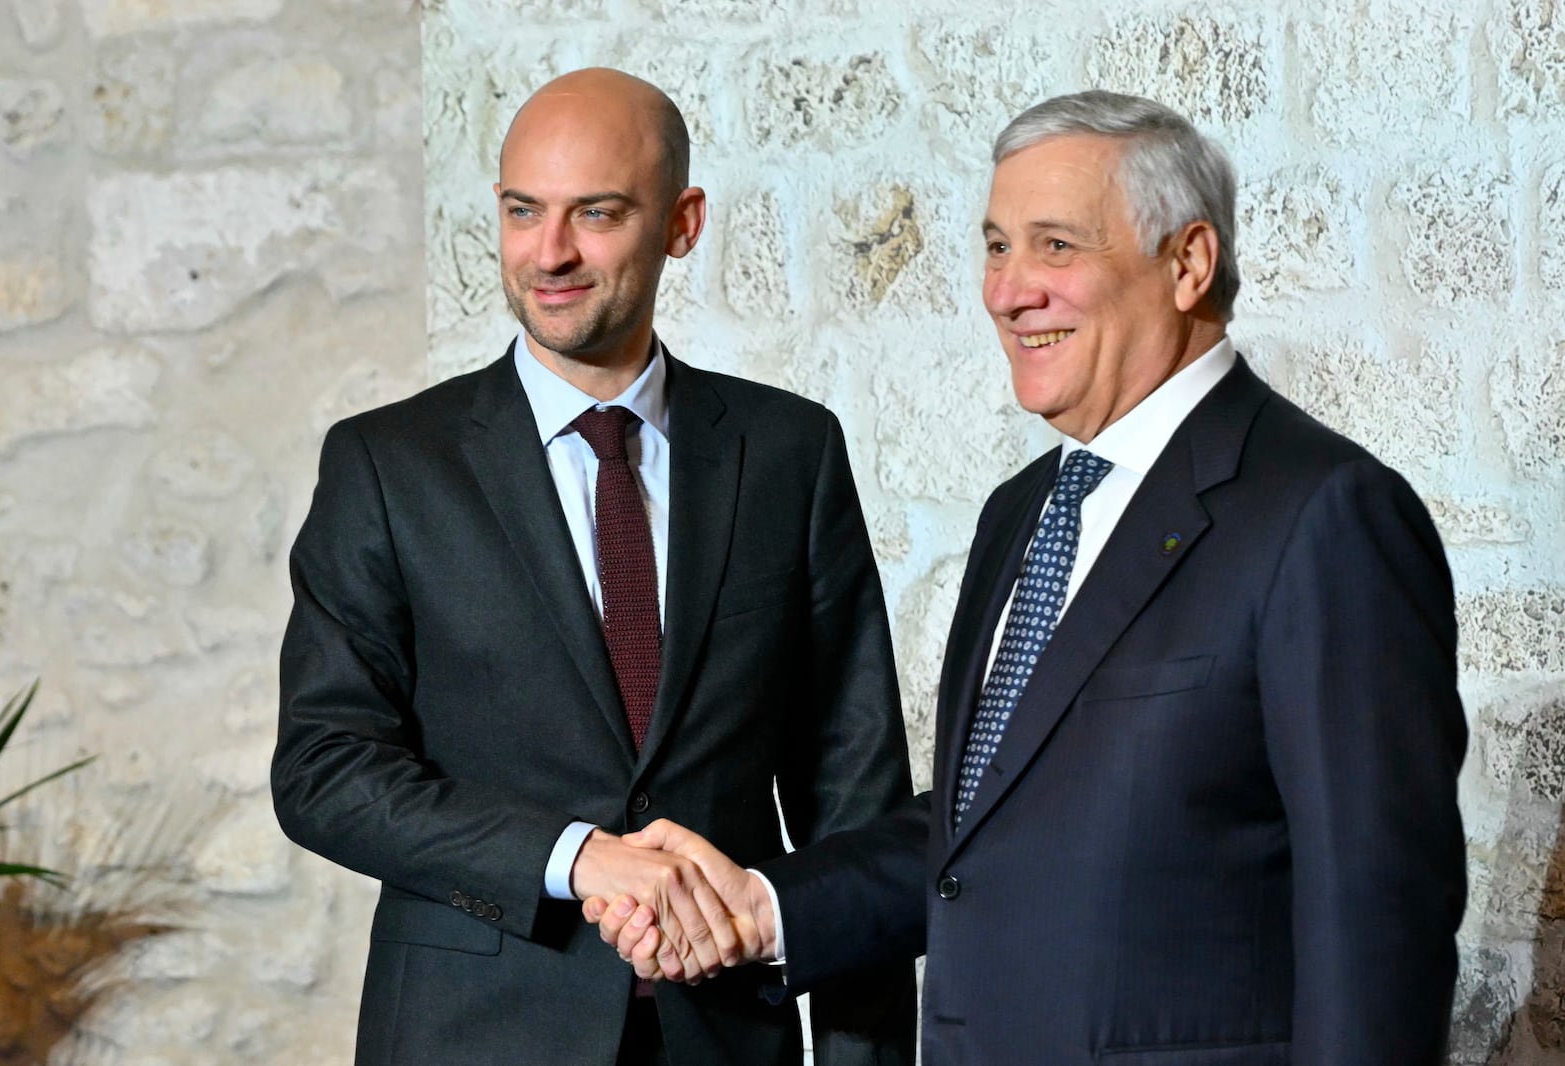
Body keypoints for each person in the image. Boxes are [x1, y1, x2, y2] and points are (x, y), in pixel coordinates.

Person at [589, 89, 1469, 1065]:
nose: (1008, 290)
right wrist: (765, 905)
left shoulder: (1323, 515)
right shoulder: (1024, 510)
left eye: (1055, 246)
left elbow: (1378, 915)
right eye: (997, 246)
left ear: (1186, 264)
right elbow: (985, 831)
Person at [271, 67, 916, 1066]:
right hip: (469, 1034)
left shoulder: (789, 452)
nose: (550, 252)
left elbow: (855, 801)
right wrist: (577, 859)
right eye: (523, 211)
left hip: (725, 1038)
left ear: (682, 222)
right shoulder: (389, 466)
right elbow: (324, 770)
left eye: (597, 213)